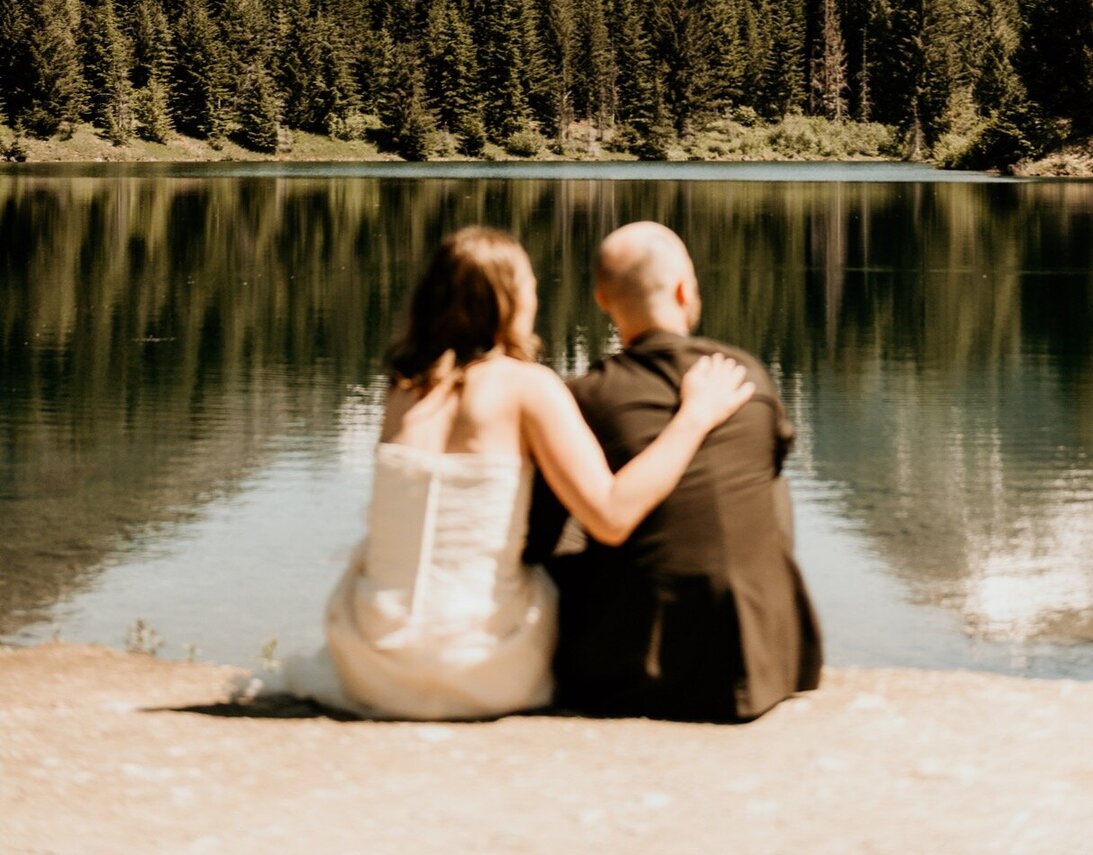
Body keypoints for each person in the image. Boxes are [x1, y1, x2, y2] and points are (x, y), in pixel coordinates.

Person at [284, 225, 754, 720]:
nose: (535, 296)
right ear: (510, 300)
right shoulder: (529, 388)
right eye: (529, 285)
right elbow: (611, 516)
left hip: (371, 663)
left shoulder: (402, 391)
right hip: (483, 670)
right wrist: (694, 418)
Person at [524, 220, 823, 721]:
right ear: (685, 291)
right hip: (768, 664)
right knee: (767, 482)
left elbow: (537, 540)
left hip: (635, 669)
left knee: (570, 511)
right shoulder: (745, 375)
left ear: (602, 299)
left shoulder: (581, 398)